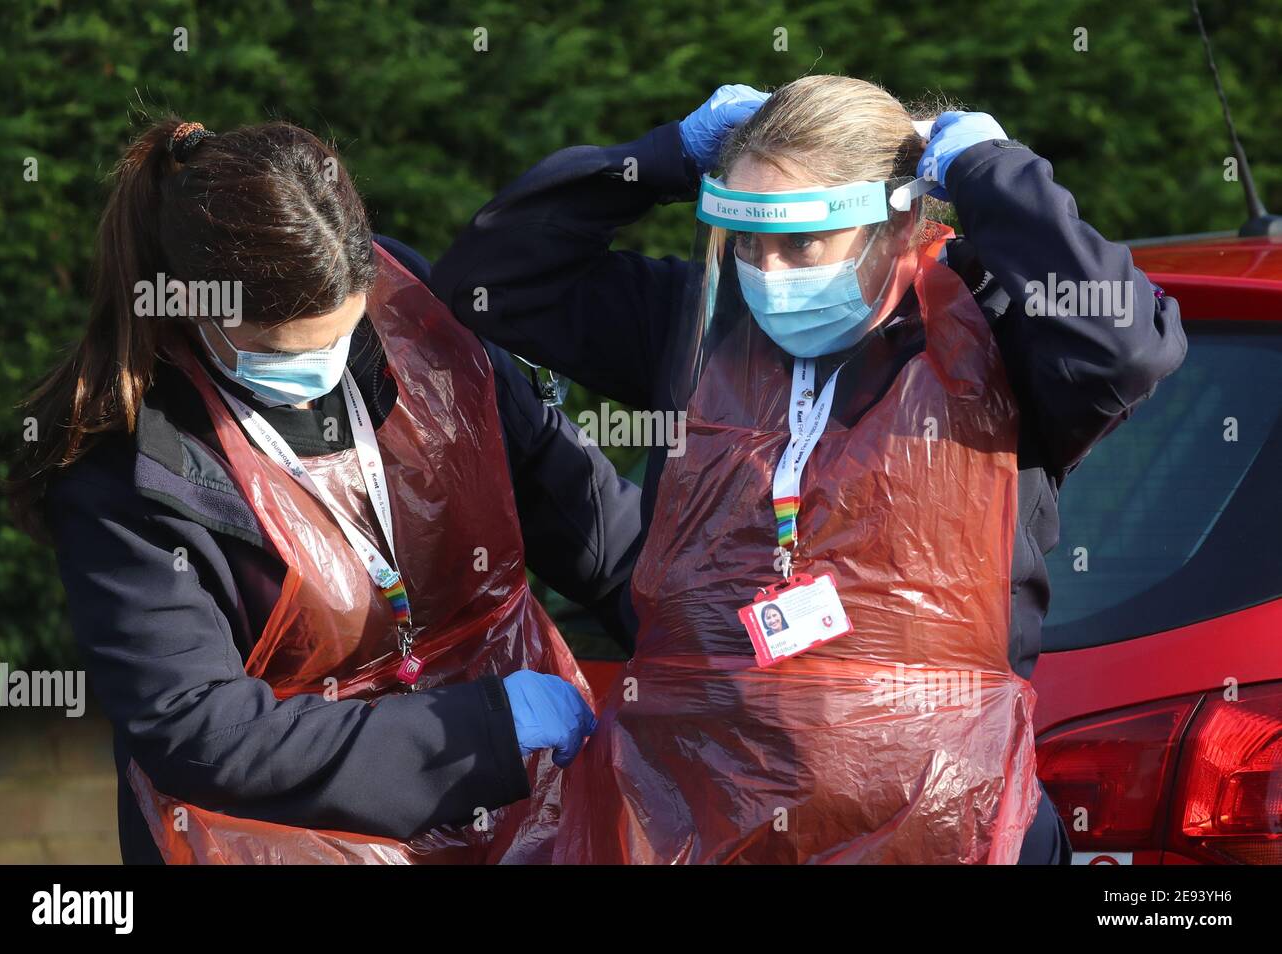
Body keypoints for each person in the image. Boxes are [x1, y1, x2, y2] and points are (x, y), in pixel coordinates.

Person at [431, 77, 1188, 864]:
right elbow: (490, 279)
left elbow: (1125, 347)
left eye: (801, 243)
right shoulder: (703, 326)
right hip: (703, 816)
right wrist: (665, 156)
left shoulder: (996, 341)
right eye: (747, 240)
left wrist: (991, 171)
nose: (768, 271)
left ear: (895, 224)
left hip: (946, 825)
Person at [7, 119, 641, 864]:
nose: (319, 379)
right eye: (283, 351)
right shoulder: (127, 471)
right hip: (282, 833)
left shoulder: (412, 319)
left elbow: (570, 500)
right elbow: (202, 732)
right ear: (191, 304)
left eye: (339, 336)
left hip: (520, 801)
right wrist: (479, 732)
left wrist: (694, 631)